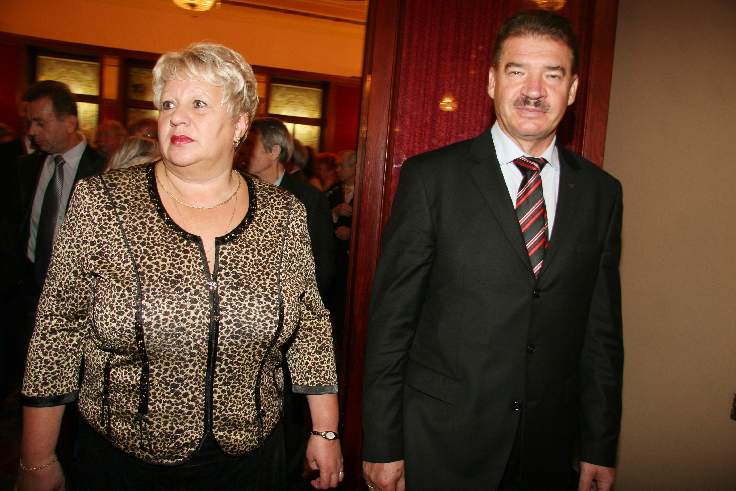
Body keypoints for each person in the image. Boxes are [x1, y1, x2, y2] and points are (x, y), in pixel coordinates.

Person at [18, 42, 342, 491]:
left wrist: (325, 431)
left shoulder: (282, 214)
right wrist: (36, 459)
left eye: (198, 104)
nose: (176, 117)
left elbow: (310, 325)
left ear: (240, 124)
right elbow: (56, 330)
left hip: (250, 460)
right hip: (125, 460)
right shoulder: (103, 202)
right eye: (168, 104)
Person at [362, 10, 623, 491]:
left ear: (572, 90)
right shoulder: (431, 179)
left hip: (547, 449)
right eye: (517, 71)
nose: (534, 91)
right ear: (491, 82)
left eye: (553, 75)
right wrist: (380, 442)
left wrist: (598, 446)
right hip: (442, 442)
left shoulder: (602, 194)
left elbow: (601, 334)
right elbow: (391, 324)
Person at [241, 117, 337, 490]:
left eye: (252, 145)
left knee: (288, 418)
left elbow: (322, 269)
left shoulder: (306, 198)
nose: (244, 152)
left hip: (291, 327)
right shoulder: (239, 191)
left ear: (274, 152)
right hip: (246, 331)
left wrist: (290, 314)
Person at [6, 81, 105, 395]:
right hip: (25, 297)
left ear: (69, 122)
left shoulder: (104, 170)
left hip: (77, 306)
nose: (32, 131)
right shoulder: (24, 169)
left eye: (40, 122)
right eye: (29, 122)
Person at [325, 150, 356, 343]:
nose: (337, 170)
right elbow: (318, 221)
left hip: (354, 262)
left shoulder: (369, 189)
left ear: (355, 168)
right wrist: (334, 213)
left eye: (341, 166)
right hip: (334, 259)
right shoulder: (333, 191)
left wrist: (354, 234)